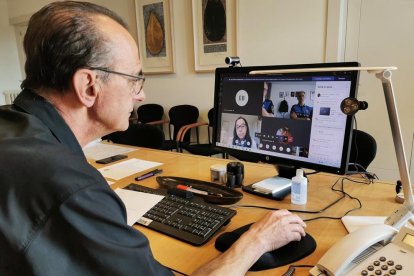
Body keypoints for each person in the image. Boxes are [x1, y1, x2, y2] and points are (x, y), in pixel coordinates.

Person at [0, 2, 306, 275]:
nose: (142, 94)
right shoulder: (72, 187)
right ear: (89, 87)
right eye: (135, 79)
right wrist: (257, 241)